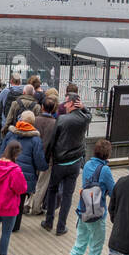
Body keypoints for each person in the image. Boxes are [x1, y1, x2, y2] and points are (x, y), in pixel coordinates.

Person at [47, 139, 115, 255]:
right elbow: (113, 191)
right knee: (95, 249)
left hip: (82, 211)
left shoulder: (88, 165)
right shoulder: (104, 170)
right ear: (107, 154)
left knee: (79, 245)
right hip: (96, 215)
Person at [41, 92, 91, 236]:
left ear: (71, 103)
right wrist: (84, 108)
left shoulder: (62, 119)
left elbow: (53, 140)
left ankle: (49, 222)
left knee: (53, 190)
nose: (63, 104)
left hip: (60, 162)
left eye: (66, 102)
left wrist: (46, 158)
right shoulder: (84, 119)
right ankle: (61, 227)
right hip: (75, 162)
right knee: (68, 195)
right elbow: (89, 116)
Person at [0, 110, 46, 232]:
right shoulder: (35, 139)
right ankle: (14, 226)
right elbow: (39, 159)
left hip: (8, 172)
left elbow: (2, 151)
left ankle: (4, 221)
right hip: (24, 177)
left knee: (7, 197)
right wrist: (43, 167)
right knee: (19, 202)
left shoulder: (11, 134)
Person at [27, 96, 58, 215]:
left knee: (31, 181)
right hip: (48, 158)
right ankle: (36, 208)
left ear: (42, 107)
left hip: (33, 156)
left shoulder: (35, 120)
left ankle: (27, 204)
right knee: (42, 184)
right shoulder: (55, 123)